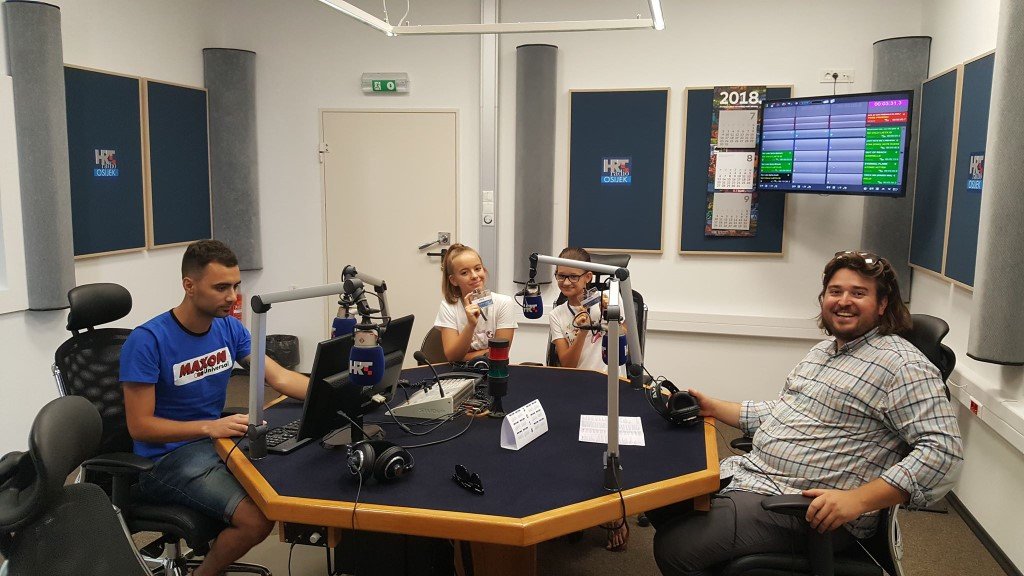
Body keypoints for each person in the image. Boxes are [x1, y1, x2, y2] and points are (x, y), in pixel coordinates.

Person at [651, 251, 963, 576]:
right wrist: (713, 407)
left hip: (808, 510)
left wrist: (857, 500)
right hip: (756, 477)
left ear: (882, 304)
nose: (844, 301)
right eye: (835, 291)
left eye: (858, 293)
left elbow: (944, 453)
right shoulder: (823, 352)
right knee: (661, 499)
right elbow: (786, 411)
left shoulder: (903, 366)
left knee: (676, 548)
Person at [121, 240, 310, 576]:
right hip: (164, 460)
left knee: (289, 477)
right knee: (256, 520)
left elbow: (279, 377)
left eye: (236, 286)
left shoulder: (228, 328)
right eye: (221, 287)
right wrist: (209, 427)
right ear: (189, 286)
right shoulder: (147, 341)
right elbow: (140, 426)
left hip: (215, 443)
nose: (232, 297)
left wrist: (336, 392)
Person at [434, 243, 517, 362]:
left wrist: (464, 357)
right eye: (464, 273)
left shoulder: (504, 303)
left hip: (493, 369)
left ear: (484, 270)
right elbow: (453, 357)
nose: (474, 276)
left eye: (478, 269)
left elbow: (500, 354)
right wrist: (471, 324)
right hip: (460, 371)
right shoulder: (448, 307)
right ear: (453, 280)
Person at [548, 247, 604, 371]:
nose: (566, 283)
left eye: (573, 277)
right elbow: (568, 365)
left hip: (610, 378)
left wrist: (611, 316)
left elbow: (627, 342)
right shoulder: (556, 315)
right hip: (577, 378)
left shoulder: (609, 299)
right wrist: (583, 331)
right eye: (561, 276)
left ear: (588, 277)